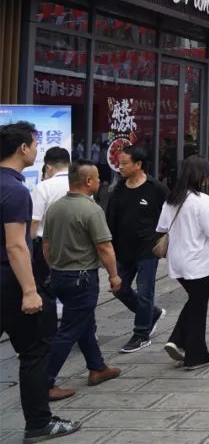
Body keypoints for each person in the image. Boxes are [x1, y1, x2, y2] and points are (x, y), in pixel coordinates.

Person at [0, 122, 81, 441]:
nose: (37, 149)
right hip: (10, 280)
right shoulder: (15, 190)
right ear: (22, 148)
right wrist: (30, 291)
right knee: (34, 351)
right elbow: (16, 245)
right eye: (34, 144)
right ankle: (39, 423)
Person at [43, 160, 123, 396]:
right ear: (88, 181)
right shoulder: (91, 209)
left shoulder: (55, 208)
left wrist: (55, 267)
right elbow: (104, 247)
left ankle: (97, 367)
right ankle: (44, 383)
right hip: (82, 277)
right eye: (97, 178)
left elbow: (46, 245)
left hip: (59, 275)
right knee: (69, 330)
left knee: (84, 323)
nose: (100, 181)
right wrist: (114, 275)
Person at [157, 156, 209, 370]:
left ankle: (177, 340)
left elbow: (162, 227)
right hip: (198, 262)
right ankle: (196, 356)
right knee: (198, 307)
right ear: (200, 176)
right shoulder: (203, 200)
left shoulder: (172, 199)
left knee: (194, 301)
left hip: (177, 260)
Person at [108, 145, 168, 354]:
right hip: (123, 250)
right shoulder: (118, 190)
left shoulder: (156, 189)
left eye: (125, 163)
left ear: (138, 164)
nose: (120, 167)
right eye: (120, 163)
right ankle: (152, 314)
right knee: (119, 289)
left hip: (147, 249)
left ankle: (141, 334)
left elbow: (169, 215)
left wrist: (164, 241)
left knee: (144, 292)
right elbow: (111, 220)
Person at [30, 147, 71, 285]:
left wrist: (29, 246)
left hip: (47, 247)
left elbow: (34, 222)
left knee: (46, 287)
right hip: (76, 244)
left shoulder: (43, 187)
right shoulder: (81, 184)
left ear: (48, 167)